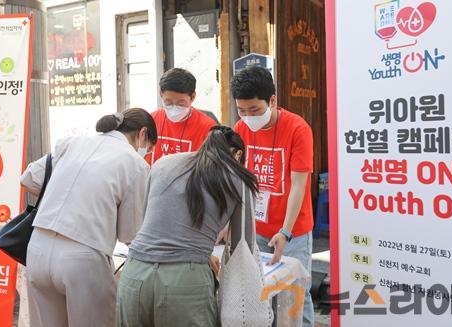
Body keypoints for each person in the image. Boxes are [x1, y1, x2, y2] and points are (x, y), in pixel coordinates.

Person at [21, 108, 157, 327]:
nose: (146, 154)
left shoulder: (73, 142)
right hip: (83, 256)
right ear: (143, 133)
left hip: (37, 248)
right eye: (149, 149)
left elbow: (29, 178)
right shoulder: (136, 163)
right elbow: (129, 233)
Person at [116, 126, 256, 327]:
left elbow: (150, 223)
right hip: (186, 283)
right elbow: (243, 248)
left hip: (135, 273)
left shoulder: (162, 164)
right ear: (238, 154)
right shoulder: (238, 179)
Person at [231, 66, 315, 327]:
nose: (247, 117)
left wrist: (286, 231)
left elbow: (299, 186)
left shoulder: (298, 128)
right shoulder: (240, 129)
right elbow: (237, 179)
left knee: (295, 291)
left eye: (254, 110)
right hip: (257, 225)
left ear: (273, 100)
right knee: (261, 289)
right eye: (241, 111)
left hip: (292, 230)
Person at [144, 68, 217, 165]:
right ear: (161, 94)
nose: (174, 109)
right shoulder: (150, 120)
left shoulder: (208, 127)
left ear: (193, 97)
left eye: (181, 104)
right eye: (168, 103)